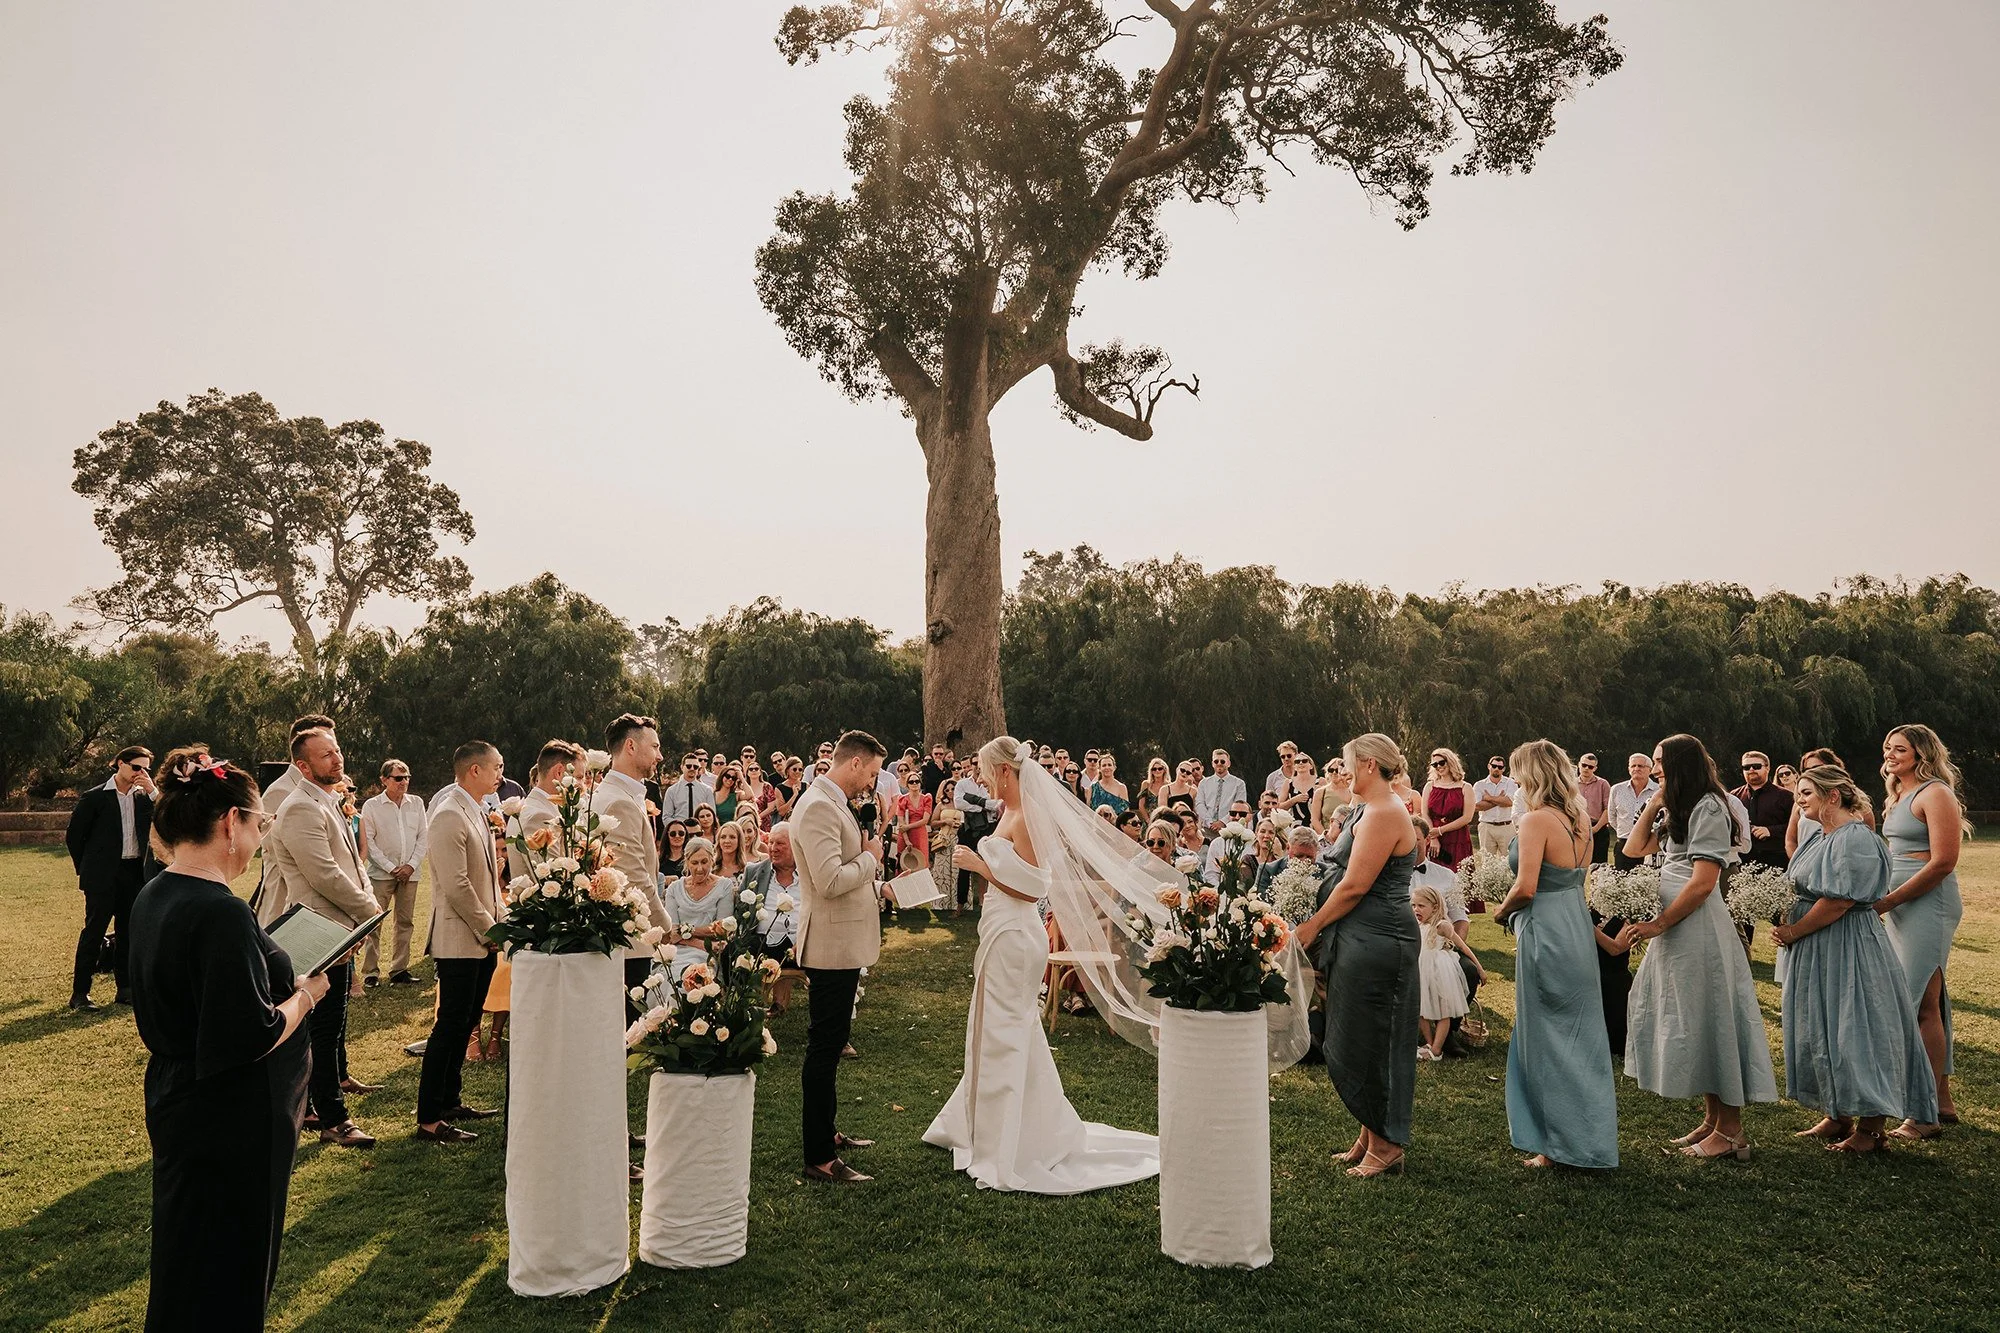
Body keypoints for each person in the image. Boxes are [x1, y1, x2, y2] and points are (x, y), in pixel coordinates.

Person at [129, 754, 328, 1331]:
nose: (260, 840)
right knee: (231, 1264)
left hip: (177, 1095)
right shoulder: (219, 912)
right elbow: (252, 1034)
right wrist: (306, 994)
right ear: (229, 823)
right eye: (260, 826)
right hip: (230, 1113)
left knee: (187, 1253)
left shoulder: (155, 892)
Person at [925, 736, 1161, 1193]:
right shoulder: (1006, 814)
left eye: (984, 771)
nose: (979, 778)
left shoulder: (1028, 816)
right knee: (997, 1030)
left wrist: (981, 866)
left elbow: (1034, 890)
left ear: (1006, 773)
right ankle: (989, 1126)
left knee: (1008, 1035)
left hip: (1017, 937)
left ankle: (1012, 1142)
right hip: (999, 931)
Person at [1617, 735, 1777, 1160]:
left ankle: (1732, 1132)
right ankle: (1711, 1120)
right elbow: (1633, 849)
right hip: (1678, 932)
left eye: (1659, 763)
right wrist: (1655, 803)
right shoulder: (1681, 806)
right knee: (1694, 1018)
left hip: (1698, 929)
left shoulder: (1709, 807)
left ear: (1679, 763)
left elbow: (1704, 882)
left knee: (1713, 1019)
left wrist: (1658, 923)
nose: (1654, 770)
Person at [1773, 765, 1938, 1153]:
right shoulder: (1818, 836)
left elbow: (1841, 901)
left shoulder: (1855, 838)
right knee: (1824, 1024)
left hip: (1848, 945)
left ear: (1833, 796)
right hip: (1818, 947)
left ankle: (1872, 1128)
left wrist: (1795, 931)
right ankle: (1838, 1113)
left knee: (1856, 1026)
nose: (1799, 799)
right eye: (1798, 792)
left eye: (1807, 792)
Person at [1294, 733, 1422, 1179]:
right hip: (1357, 937)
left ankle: (1387, 1145)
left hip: (1380, 938)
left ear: (1369, 764)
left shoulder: (1386, 813)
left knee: (1375, 1037)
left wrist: (1311, 927)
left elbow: (1354, 885)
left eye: (1347, 763)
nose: (1342, 771)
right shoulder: (1364, 810)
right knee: (1352, 1033)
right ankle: (1370, 1133)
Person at [1491, 739, 1618, 1170]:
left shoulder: (1534, 821)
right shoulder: (1580, 817)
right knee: (1579, 1036)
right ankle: (1585, 1137)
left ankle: (1558, 1144)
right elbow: (1576, 885)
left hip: (1544, 929)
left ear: (1532, 775)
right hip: (1574, 928)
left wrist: (1501, 913)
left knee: (1546, 1037)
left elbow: (1526, 887)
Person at [263, 728, 381, 1148]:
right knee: (322, 1032)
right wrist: (370, 911)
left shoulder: (327, 801)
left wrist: (365, 906)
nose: (337, 759)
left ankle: (317, 1106)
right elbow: (324, 875)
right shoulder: (299, 809)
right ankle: (332, 1118)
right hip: (320, 932)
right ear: (303, 765)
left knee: (330, 1029)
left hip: (342, 929)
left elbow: (353, 865)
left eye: (337, 750)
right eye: (325, 755)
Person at [793, 730, 888, 1184]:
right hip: (829, 945)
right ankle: (818, 1157)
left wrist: (875, 878)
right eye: (870, 773)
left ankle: (827, 1134)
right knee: (824, 1047)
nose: (871, 783)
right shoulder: (816, 807)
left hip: (841, 942)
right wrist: (870, 859)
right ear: (853, 764)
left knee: (830, 1045)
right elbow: (829, 880)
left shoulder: (832, 804)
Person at [413, 741, 506, 1143]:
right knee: (450, 1026)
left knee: (468, 1020)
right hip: (459, 937)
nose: (501, 774)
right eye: (497, 767)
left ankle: (450, 1099)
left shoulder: (475, 808)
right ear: (474, 771)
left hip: (480, 937)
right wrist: (491, 930)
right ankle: (430, 1117)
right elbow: (456, 884)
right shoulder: (449, 813)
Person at [1877, 723, 1966, 1139]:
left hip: (1928, 902)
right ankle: (1941, 1102)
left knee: (1919, 1004)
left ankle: (1923, 1113)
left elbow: (1943, 861)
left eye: (1899, 749)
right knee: (1932, 998)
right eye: (1888, 748)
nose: (1891, 755)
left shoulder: (1936, 794)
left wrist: (1892, 900)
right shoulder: (1897, 795)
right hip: (1898, 902)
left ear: (1921, 753)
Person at [65, 744, 156, 1011]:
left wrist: (152, 790)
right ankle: (80, 993)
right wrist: (88, 869)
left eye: (145, 769)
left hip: (133, 872)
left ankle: (125, 988)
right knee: (94, 931)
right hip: (103, 875)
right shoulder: (94, 797)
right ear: (120, 764)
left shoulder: (144, 798)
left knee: (128, 931)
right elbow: (74, 837)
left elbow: (167, 817)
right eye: (136, 767)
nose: (140, 773)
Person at [359, 759, 425, 987]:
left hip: (411, 873)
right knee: (374, 922)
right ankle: (370, 972)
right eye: (398, 778)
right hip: (381, 873)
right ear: (384, 780)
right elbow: (370, 842)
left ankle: (399, 970)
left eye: (407, 777)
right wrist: (391, 868)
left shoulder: (416, 803)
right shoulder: (371, 806)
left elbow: (422, 838)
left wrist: (410, 866)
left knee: (405, 922)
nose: (404, 782)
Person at [1413, 885, 1480, 1061]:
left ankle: (1436, 1050)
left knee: (1444, 1011)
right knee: (1421, 1009)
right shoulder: (1417, 924)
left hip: (1441, 971)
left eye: (1421, 906)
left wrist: (1479, 968)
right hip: (1422, 971)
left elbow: (1462, 946)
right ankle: (1430, 1043)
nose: (1416, 910)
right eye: (1413, 905)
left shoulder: (1442, 925)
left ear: (1434, 907)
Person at [663, 837, 734, 980]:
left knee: (694, 974)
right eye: (694, 863)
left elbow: (722, 929)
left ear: (712, 860)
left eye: (704, 862)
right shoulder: (674, 889)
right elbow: (673, 933)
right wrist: (703, 943)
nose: (699, 868)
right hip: (678, 951)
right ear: (687, 862)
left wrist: (686, 931)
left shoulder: (724, 886)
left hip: (707, 955)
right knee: (670, 974)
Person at [1732, 751, 1790, 871]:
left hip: (1776, 861)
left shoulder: (1786, 796)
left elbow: (1798, 827)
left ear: (1767, 768)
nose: (1751, 769)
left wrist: (1771, 831)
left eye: (1757, 766)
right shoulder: (1734, 797)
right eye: (1746, 767)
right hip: (1742, 862)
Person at [1419, 748, 1476, 871]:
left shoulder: (1466, 787)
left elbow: (1467, 817)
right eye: (1435, 764)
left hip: (1457, 838)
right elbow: (1425, 813)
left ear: (1450, 762)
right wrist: (1434, 837)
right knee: (1435, 875)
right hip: (1434, 838)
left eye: (1442, 763)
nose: (1439, 766)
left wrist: (1441, 830)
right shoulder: (1429, 786)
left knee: (1459, 876)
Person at [1608, 753, 1657, 870]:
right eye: (1633, 766)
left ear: (1650, 770)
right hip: (1624, 844)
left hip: (1649, 845)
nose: (1636, 769)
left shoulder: (1658, 791)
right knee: (1622, 882)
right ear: (1628, 769)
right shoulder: (1617, 789)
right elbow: (1612, 817)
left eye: (1640, 766)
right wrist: (1625, 832)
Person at [1472, 756, 1519, 861]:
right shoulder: (1479, 785)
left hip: (1506, 826)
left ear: (1503, 769)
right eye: (1494, 766)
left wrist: (1488, 798)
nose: (1496, 769)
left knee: (1509, 862)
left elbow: (1510, 802)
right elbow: (1476, 806)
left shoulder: (1510, 783)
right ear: (1489, 766)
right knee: (1487, 863)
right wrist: (1499, 800)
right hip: (1486, 826)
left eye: (1500, 767)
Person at [1195, 749, 1248, 838]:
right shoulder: (1204, 783)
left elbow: (1240, 807)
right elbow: (1199, 804)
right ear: (1212, 764)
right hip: (1207, 829)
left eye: (1222, 761)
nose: (1219, 763)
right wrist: (1210, 822)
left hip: (1230, 829)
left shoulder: (1239, 783)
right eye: (1216, 761)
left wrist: (1223, 822)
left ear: (1228, 763)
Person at [1575, 753, 1613, 865]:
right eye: (1584, 765)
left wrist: (1595, 828)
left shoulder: (1603, 784)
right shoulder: (1570, 784)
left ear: (1595, 768)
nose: (1586, 768)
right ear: (1579, 765)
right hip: (1577, 827)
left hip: (1598, 828)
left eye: (1590, 767)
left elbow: (1608, 809)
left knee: (1599, 866)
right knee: (1576, 864)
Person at [659, 753, 716, 825]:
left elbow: (712, 815)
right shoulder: (671, 791)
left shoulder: (707, 790)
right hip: (680, 832)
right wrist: (680, 827)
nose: (692, 768)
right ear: (682, 767)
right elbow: (666, 817)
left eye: (695, 767)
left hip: (701, 832)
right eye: (689, 766)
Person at [1087, 753, 1129, 817]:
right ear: (1100, 769)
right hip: (1095, 825)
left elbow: (1126, 813)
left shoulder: (1121, 787)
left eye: (1109, 765)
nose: (1107, 767)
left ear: (1114, 767)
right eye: (1104, 765)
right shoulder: (1093, 787)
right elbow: (1088, 811)